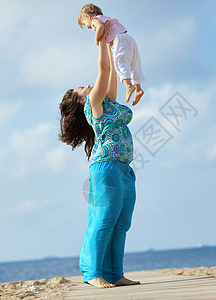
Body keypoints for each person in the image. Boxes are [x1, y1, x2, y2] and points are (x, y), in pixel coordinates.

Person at [59, 20, 140, 289]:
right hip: (105, 168)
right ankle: (93, 273)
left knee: (121, 223)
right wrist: (99, 40)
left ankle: (115, 272)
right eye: (82, 88)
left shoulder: (108, 102)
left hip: (123, 168)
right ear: (82, 100)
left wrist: (111, 41)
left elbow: (112, 74)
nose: (88, 86)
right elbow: (104, 69)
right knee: (104, 219)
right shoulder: (92, 106)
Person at [78, 3, 145, 106]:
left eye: (84, 23)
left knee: (119, 62)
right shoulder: (105, 18)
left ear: (87, 16)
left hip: (119, 39)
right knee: (134, 64)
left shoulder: (94, 20)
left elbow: (100, 28)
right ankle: (138, 89)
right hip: (128, 38)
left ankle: (128, 85)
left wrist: (97, 40)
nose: (88, 27)